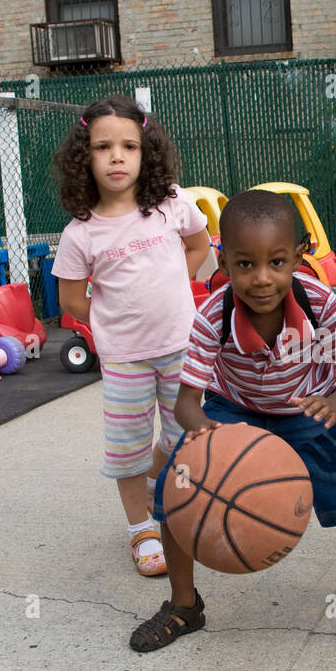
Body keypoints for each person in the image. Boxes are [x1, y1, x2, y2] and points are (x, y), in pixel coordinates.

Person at [129, 189, 336, 651]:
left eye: (276, 262)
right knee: (173, 495)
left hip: (309, 407)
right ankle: (183, 605)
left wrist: (335, 404)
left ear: (298, 257)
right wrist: (207, 435)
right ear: (224, 262)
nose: (261, 279)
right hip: (231, 409)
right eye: (245, 264)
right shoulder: (212, 315)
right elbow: (186, 403)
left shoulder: (319, 305)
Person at [51, 96, 210, 577]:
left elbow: (201, 244)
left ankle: (162, 486)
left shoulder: (171, 205)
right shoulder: (81, 234)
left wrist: (176, 285)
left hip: (182, 347)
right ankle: (142, 529)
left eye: (129, 146)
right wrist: (114, 317)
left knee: (185, 439)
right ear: (85, 158)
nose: (117, 156)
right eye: (103, 147)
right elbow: (71, 299)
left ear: (147, 153)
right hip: (124, 360)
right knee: (127, 449)